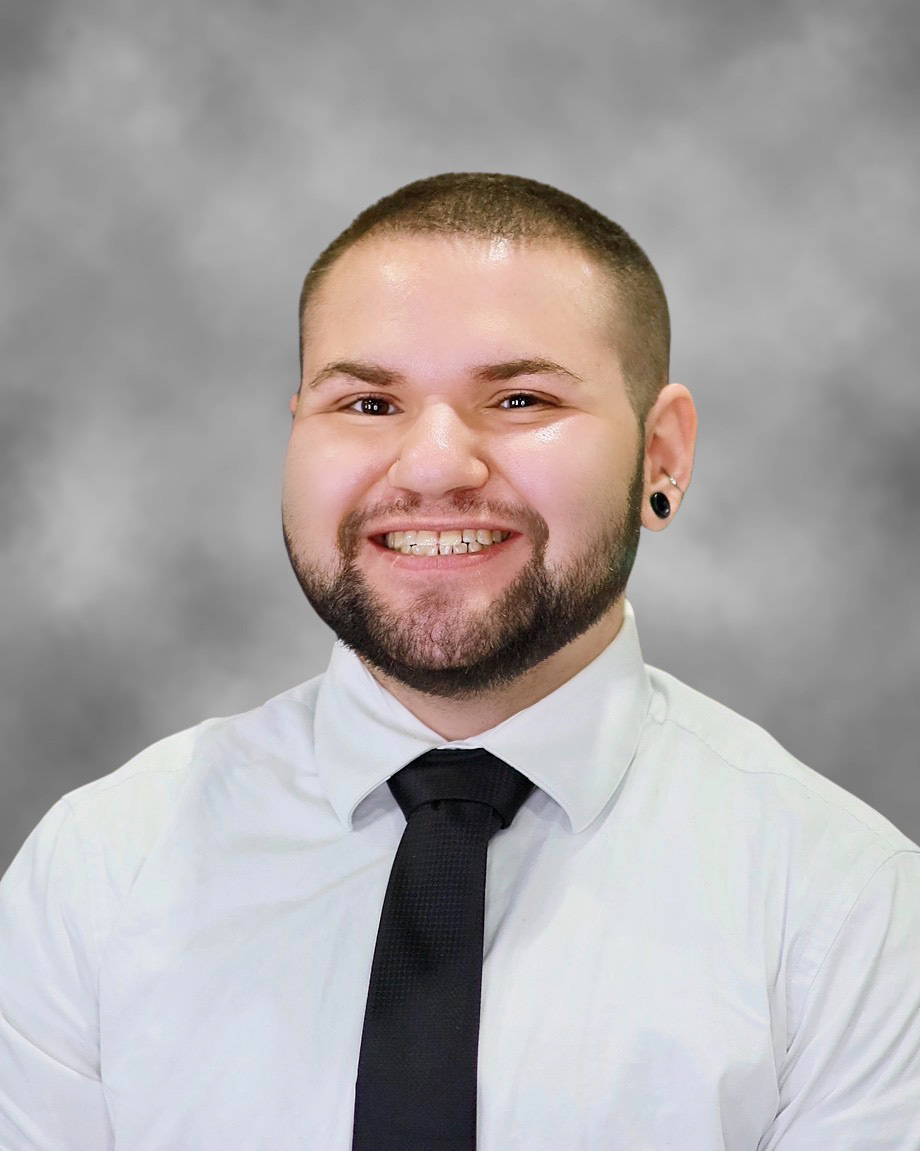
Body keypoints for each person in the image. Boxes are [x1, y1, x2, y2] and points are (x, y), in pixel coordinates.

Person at [1, 173, 918, 1151]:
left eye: (520, 398)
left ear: (662, 454)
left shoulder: (846, 909)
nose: (434, 464)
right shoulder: (100, 869)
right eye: (367, 402)